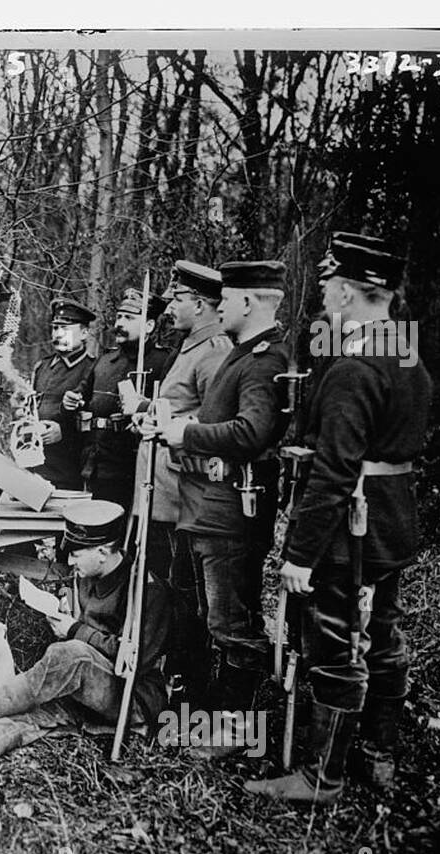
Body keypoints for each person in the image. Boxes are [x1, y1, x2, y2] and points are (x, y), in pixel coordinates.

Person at [245, 235, 431, 803]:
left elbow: (335, 470)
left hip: (353, 528)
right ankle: (378, 756)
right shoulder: (405, 354)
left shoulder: (353, 366)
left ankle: (320, 777)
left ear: (348, 291)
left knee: (336, 643)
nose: (323, 295)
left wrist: (300, 554)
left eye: (328, 286)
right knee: (381, 634)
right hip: (392, 524)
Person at [0, 500, 170, 769]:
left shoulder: (146, 590)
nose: (69, 561)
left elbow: (135, 660)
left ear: (102, 552)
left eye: (76, 555)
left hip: (132, 698)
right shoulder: (88, 575)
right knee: (34, 715)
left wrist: (75, 630)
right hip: (87, 690)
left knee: (70, 655)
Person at [156, 260, 290, 756]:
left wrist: (185, 432)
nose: (222, 306)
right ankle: (215, 714)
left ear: (250, 302)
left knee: (233, 626)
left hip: (232, 512)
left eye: (228, 299)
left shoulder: (262, 360)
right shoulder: (244, 355)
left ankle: (240, 732)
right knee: (217, 619)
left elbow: (253, 432)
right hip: (211, 508)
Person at [127, 261, 232, 691]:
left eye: (177, 299)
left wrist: (162, 423)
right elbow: (174, 409)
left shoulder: (215, 351)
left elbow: (214, 424)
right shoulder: (189, 346)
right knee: (164, 584)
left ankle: (189, 680)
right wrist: (145, 413)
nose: (169, 306)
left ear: (203, 305)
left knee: (186, 594)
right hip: (160, 490)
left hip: (182, 493)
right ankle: (166, 668)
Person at [81, 289, 153, 509]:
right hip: (98, 465)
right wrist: (71, 402)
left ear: (149, 326)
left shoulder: (162, 361)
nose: (120, 323)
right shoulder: (104, 361)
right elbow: (80, 397)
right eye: (119, 317)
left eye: (129, 318)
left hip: (137, 467)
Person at [29, 298, 98, 491]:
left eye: (65, 329)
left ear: (84, 333)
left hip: (68, 471)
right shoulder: (42, 367)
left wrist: (65, 432)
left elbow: (93, 421)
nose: (57, 335)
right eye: (55, 328)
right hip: (32, 466)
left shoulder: (93, 368)